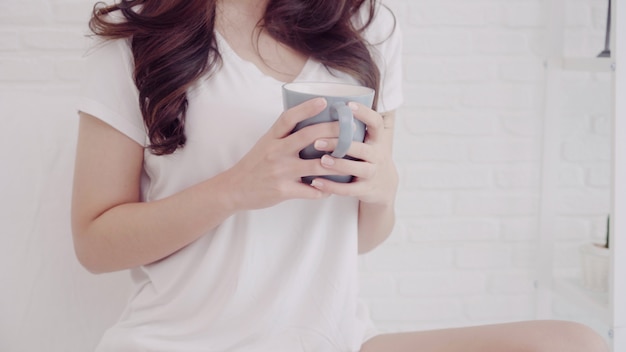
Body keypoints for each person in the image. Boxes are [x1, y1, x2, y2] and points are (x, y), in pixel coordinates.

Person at [71, 0, 609, 351]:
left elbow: (361, 238)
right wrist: (237, 188)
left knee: (575, 343)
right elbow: (95, 244)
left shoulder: (366, 26)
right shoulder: (140, 36)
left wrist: (382, 190)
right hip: (185, 340)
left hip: (332, 338)